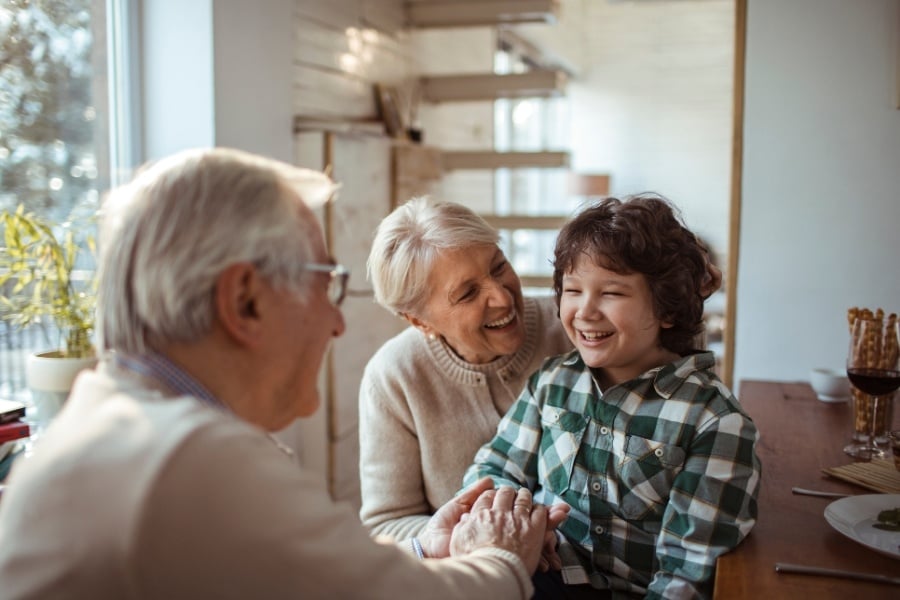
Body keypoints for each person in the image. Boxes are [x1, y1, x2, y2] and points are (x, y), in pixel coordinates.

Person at [0, 147, 567, 599]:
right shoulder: (186, 458)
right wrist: (500, 555)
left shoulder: (122, 421)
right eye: (325, 284)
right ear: (245, 300)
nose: (336, 324)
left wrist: (427, 545)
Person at [462, 194, 761, 599]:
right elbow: (494, 469)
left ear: (666, 307)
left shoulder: (715, 423)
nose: (585, 311)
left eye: (612, 293)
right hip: (542, 576)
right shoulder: (552, 381)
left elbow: (687, 575)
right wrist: (521, 522)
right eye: (573, 289)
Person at [359, 197, 573, 541]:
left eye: (499, 267)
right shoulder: (394, 376)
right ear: (419, 321)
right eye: (468, 293)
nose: (502, 298)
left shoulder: (576, 328)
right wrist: (481, 536)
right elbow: (386, 524)